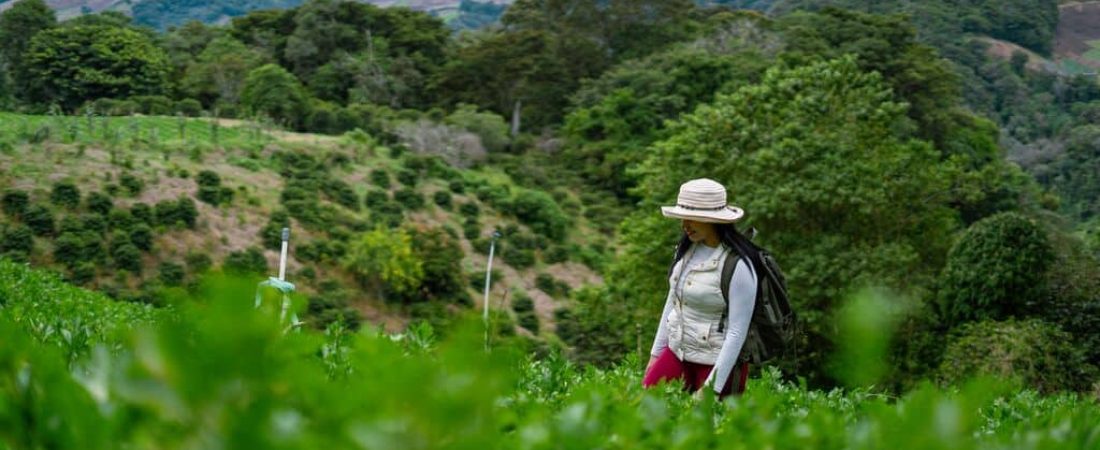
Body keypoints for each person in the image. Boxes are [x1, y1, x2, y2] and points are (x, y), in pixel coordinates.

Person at [642, 178, 761, 398]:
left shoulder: (739, 265)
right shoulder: (686, 250)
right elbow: (672, 302)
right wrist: (655, 355)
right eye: (682, 217)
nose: (684, 225)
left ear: (713, 220)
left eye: (692, 218)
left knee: (708, 429)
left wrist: (711, 389)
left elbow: (737, 333)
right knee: (646, 406)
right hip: (678, 352)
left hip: (718, 364)